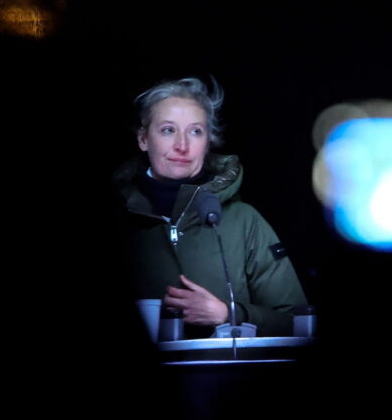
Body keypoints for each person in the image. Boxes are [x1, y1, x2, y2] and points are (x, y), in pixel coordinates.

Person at [112, 77, 308, 338]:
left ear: (208, 142)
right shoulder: (114, 218)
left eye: (195, 131)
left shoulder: (244, 222)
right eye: (168, 130)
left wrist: (228, 314)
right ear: (144, 139)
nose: (182, 145)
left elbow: (298, 324)